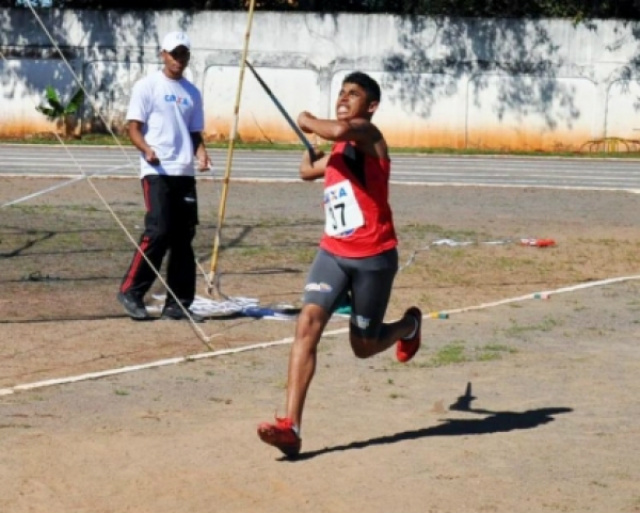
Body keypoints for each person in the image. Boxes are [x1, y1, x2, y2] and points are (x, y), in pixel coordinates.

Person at [257, 71, 422, 457]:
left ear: (371, 106)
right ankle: (291, 428)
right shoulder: (339, 146)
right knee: (307, 324)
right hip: (332, 254)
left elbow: (334, 131)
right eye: (341, 92)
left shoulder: (369, 136)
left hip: (373, 259)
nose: (344, 98)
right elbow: (305, 171)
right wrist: (310, 149)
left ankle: (408, 325)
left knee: (363, 347)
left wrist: (307, 120)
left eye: (354, 94)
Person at [117, 31, 211, 322]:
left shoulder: (192, 93)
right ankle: (131, 291)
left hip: (183, 172)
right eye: (174, 53)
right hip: (156, 171)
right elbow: (133, 127)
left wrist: (202, 152)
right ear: (163, 54)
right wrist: (146, 149)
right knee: (158, 231)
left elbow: (194, 132)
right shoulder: (147, 86)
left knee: (183, 237)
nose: (178, 59)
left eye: (183, 54)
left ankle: (178, 303)